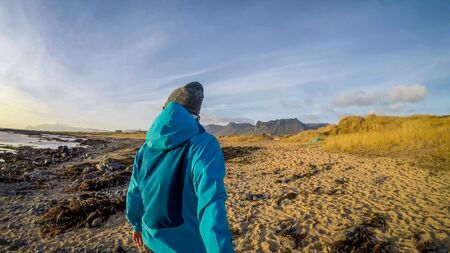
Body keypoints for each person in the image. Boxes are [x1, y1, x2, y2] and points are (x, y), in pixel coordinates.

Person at [126, 82, 235, 253]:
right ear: (195, 115)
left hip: (150, 243)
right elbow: (211, 207)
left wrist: (136, 225)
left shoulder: (145, 149)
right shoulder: (204, 145)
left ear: (165, 110)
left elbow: (134, 192)